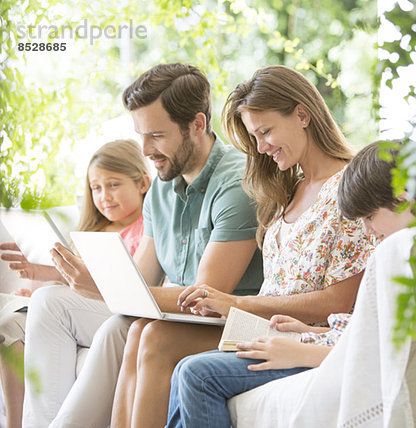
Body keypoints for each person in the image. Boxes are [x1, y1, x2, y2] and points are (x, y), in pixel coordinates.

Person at [111, 65, 373, 427]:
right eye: (254, 137)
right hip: (262, 327)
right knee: (142, 331)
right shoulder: (288, 190)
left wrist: (237, 304)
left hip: (299, 333)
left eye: (266, 132)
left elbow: (340, 301)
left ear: (302, 114)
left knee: (190, 369)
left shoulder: (348, 188)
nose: (261, 148)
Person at [35, 63, 263, 428]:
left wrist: (105, 288)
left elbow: (206, 297)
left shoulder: (236, 185)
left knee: (152, 335)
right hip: (190, 318)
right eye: (140, 135)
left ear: (198, 125)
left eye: (156, 135)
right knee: (128, 328)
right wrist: (101, 281)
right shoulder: (161, 186)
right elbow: (143, 277)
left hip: (240, 319)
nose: (144, 149)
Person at [166, 141, 416, 427]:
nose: (368, 232)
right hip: (321, 338)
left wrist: (303, 351)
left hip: (317, 350)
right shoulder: (398, 254)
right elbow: (368, 330)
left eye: (370, 217)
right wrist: (309, 331)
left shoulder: (407, 259)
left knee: (196, 374)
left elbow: (384, 353)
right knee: (184, 369)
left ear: (403, 199)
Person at [0, 139, 150, 428]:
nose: (104, 196)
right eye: (96, 188)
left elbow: (123, 285)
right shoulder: (91, 231)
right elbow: (74, 287)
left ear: (142, 183)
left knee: (45, 307)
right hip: (75, 306)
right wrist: (40, 275)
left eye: (114, 185)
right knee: (10, 325)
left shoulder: (145, 228)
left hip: (110, 308)